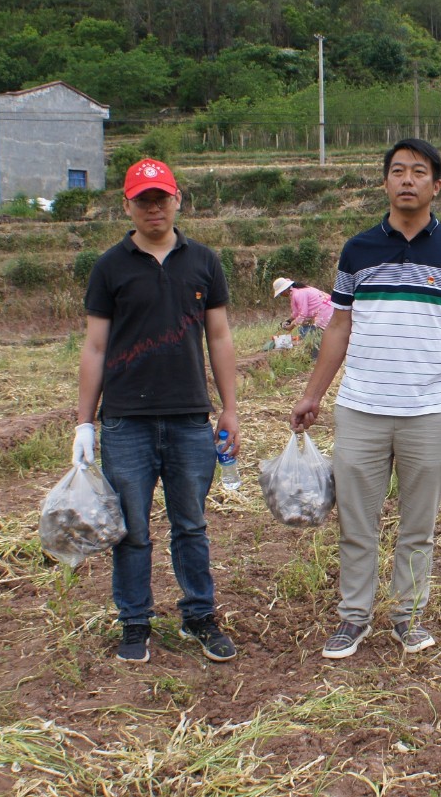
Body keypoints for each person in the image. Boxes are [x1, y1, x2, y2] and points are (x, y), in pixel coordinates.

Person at [289, 138, 441, 660]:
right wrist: (313, 394)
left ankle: (407, 615)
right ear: (384, 183)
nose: (407, 180)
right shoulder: (358, 250)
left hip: (430, 409)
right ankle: (353, 617)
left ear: (436, 185)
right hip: (361, 407)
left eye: (418, 172)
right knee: (357, 522)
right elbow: (339, 325)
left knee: (418, 526)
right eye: (397, 171)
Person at [74, 157, 240, 665]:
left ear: (177, 200)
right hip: (126, 420)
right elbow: (95, 347)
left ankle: (199, 616)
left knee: (191, 524)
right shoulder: (110, 266)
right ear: (127, 205)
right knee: (132, 528)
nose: (153, 208)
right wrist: (84, 422)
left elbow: (219, 337)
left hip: (190, 417)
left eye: (161, 199)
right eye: (143, 200)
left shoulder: (203, 261)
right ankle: (135, 621)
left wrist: (230, 408)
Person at [273, 277, 334, 359]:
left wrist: (291, 326)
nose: (281, 295)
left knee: (317, 335)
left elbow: (303, 314)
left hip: (325, 311)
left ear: (284, 290)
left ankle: (316, 358)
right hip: (328, 308)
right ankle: (316, 354)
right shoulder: (297, 291)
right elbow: (296, 312)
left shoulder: (298, 294)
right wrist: (289, 321)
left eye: (280, 293)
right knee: (308, 329)